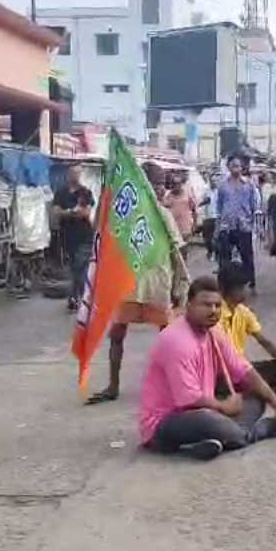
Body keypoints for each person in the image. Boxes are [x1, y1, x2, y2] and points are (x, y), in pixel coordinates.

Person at [139, 276, 276, 461]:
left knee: (256, 396)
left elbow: (244, 369)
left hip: (208, 409)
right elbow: (188, 399)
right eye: (205, 305)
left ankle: (211, 441)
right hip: (168, 420)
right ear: (189, 305)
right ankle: (258, 431)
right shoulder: (176, 341)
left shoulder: (213, 332)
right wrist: (224, 406)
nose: (213, 311)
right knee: (208, 420)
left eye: (217, 305)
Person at [86, 164, 189, 406]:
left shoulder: (161, 214)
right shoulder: (124, 213)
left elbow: (177, 250)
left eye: (161, 183)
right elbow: (99, 227)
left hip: (157, 284)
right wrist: (106, 194)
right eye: (155, 182)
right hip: (129, 285)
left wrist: (179, 284)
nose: (159, 188)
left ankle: (175, 384)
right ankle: (113, 385)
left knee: (170, 338)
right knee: (117, 334)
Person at [217, 263, 276, 398]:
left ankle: (254, 389)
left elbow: (265, 342)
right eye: (239, 288)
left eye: (244, 287)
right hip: (221, 372)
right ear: (225, 289)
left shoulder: (243, 312)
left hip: (240, 370)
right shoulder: (215, 314)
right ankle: (257, 390)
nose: (244, 292)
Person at [53, 164, 95, 312]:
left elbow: (85, 213)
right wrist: (72, 212)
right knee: (73, 268)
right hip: (67, 236)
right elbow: (56, 212)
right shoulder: (61, 193)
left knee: (79, 267)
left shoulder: (85, 193)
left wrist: (68, 213)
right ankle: (78, 298)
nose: (75, 176)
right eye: (73, 173)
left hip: (85, 235)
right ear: (68, 174)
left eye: (78, 173)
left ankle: (78, 298)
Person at [216, 156, 260, 291]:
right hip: (227, 226)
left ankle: (250, 281)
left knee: (247, 255)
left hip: (244, 225)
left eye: (238, 165)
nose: (236, 168)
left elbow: (254, 203)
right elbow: (219, 205)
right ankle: (225, 282)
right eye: (233, 165)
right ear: (229, 167)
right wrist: (219, 223)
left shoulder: (249, 184)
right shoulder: (223, 185)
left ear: (242, 168)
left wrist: (253, 221)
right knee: (224, 256)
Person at [163, 170, 197, 261]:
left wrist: (194, 224)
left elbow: (194, 210)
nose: (176, 186)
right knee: (174, 253)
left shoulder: (187, 195)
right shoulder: (168, 196)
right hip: (173, 229)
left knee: (183, 252)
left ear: (181, 184)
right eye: (173, 184)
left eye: (178, 183)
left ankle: (184, 273)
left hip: (185, 229)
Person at [200, 172, 220, 261]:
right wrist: (204, 202)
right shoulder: (205, 190)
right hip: (207, 217)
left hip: (217, 217)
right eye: (212, 181)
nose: (214, 182)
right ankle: (210, 251)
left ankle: (216, 254)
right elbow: (201, 203)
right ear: (209, 181)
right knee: (207, 238)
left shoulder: (220, 191)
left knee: (215, 237)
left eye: (215, 181)